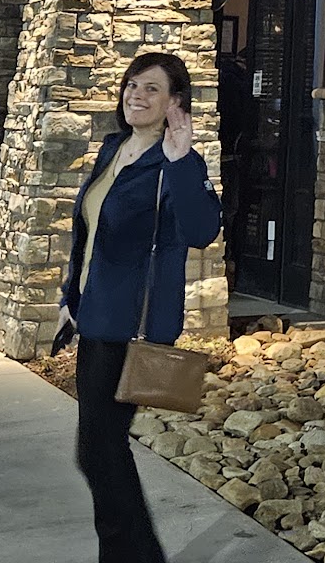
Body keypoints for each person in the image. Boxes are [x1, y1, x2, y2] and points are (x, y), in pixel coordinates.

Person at [58, 52, 220, 563]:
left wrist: (181, 160)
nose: (137, 95)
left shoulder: (176, 163)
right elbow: (87, 235)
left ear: (175, 103)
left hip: (130, 324)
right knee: (98, 451)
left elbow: (201, 230)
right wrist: (70, 299)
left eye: (152, 88)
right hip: (94, 316)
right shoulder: (113, 148)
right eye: (132, 85)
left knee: (100, 451)